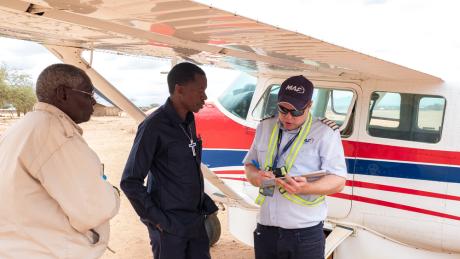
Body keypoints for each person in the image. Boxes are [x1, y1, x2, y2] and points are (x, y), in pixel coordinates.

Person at [0, 64, 120, 258]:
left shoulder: (23, 128)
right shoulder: (56, 134)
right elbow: (94, 209)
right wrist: (114, 193)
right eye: (88, 94)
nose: (93, 103)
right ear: (63, 93)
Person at [120, 62, 218, 259]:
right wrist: (158, 221)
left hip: (195, 223)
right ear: (179, 89)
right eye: (200, 90)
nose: (205, 97)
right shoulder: (153, 126)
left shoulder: (189, 121)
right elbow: (130, 181)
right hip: (170, 229)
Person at [244, 75, 347, 259]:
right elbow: (249, 165)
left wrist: (307, 187)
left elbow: (338, 180)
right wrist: (256, 178)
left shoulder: (325, 132)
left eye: (296, 112)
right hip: (266, 231)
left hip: (304, 235)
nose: (288, 117)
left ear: (309, 106)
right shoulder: (265, 126)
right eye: (283, 110)